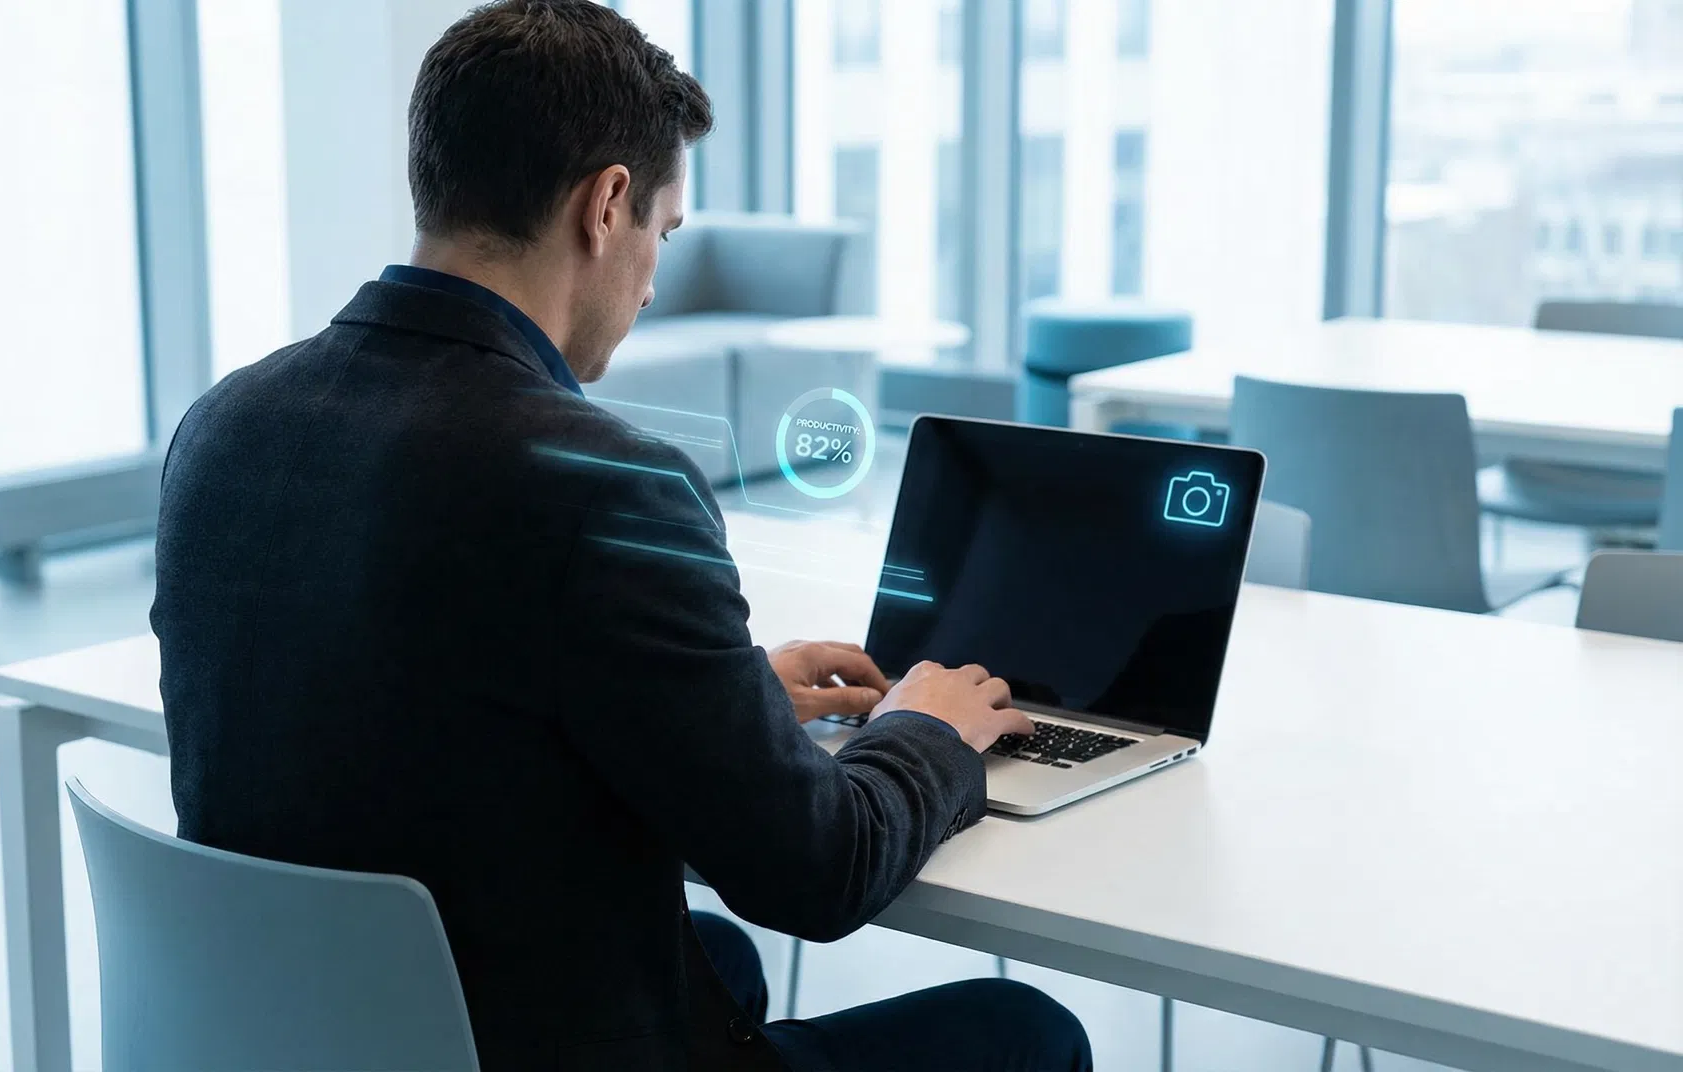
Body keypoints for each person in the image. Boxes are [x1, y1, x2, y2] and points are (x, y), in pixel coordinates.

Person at [150, 1, 1092, 1069]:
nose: (651, 280)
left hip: (304, 1032)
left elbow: (414, 694)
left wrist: (721, 695)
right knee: (1028, 1033)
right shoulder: (606, 485)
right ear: (606, 205)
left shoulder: (222, 425)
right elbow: (820, 871)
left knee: (709, 953)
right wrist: (925, 728)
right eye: (664, 233)